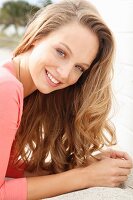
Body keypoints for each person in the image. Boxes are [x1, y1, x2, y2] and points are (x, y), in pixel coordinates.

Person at [0, 0, 132, 199]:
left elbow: (11, 171)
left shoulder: (20, 86)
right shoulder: (7, 89)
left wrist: (81, 165)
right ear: (37, 36)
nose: (64, 74)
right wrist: (85, 177)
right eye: (61, 52)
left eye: (79, 67)